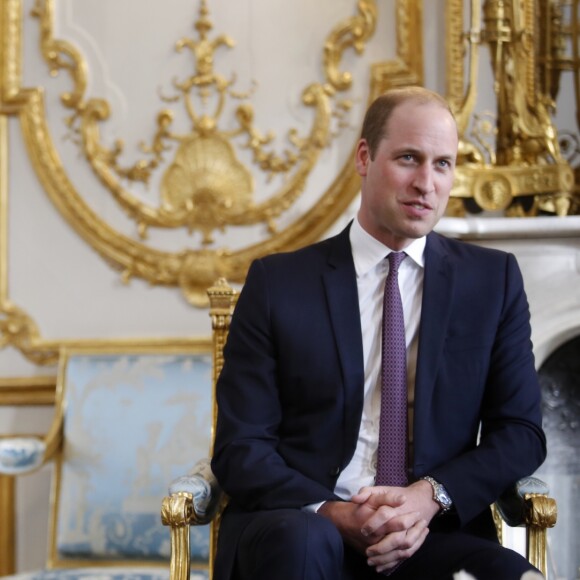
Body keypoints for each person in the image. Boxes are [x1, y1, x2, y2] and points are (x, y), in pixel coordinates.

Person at [211, 86, 546, 579]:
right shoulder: (278, 284)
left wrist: (429, 497)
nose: (426, 183)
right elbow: (240, 446)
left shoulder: (492, 282)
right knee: (304, 546)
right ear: (365, 158)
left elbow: (521, 432)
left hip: (430, 532)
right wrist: (334, 513)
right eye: (409, 159)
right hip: (304, 527)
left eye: (442, 165)